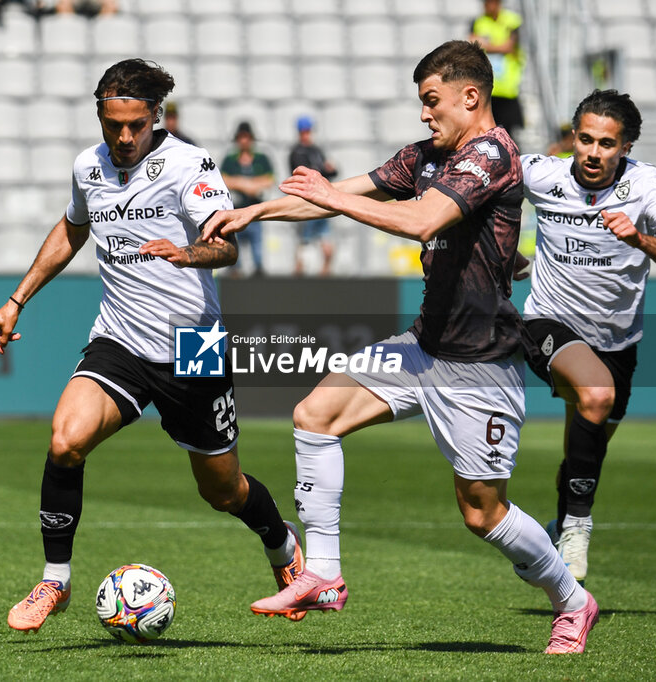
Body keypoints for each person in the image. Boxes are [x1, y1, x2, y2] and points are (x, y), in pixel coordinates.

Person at [203, 41, 599, 655]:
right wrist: (255, 212)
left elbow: (419, 220)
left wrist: (332, 198)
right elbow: (337, 190)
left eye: (432, 100)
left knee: (483, 513)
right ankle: (323, 574)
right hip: (422, 347)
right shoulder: (425, 155)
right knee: (315, 415)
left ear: (471, 96)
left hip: (479, 363)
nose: (424, 113)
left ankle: (572, 602)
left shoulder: (492, 153)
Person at [0, 58, 304, 633]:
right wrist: (16, 300)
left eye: (137, 124)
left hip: (194, 344)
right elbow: (73, 228)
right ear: (101, 119)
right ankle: (56, 579)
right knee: (65, 441)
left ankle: (281, 545)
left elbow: (227, 246)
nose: (126, 136)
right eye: (114, 126)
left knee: (222, 489)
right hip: (120, 340)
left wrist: (189, 253)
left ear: (156, 115)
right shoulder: (88, 167)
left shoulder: (191, 164)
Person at [519, 89, 656, 585]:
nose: (593, 152)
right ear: (573, 137)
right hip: (549, 321)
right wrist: (503, 253)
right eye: (585, 139)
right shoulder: (542, 174)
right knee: (596, 395)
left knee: (590, 444)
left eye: (607, 143)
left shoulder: (648, 184)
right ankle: (577, 529)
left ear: (626, 146)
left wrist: (638, 237)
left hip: (617, 341)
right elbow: (475, 199)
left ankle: (556, 527)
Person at [220, 121, 273, 277]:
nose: (244, 141)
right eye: (241, 137)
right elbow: (222, 180)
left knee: (257, 251)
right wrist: (248, 185)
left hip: (256, 212)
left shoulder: (261, 158)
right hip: (235, 211)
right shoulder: (230, 160)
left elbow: (269, 180)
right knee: (234, 253)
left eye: (247, 137)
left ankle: (258, 272)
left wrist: (240, 182)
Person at [468, 0, 526, 140]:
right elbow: (472, 43)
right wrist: (499, 46)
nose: (490, 6)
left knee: (506, 135)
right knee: (485, 134)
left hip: (507, 90)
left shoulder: (512, 20)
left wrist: (485, 45)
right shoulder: (478, 22)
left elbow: (509, 47)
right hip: (485, 89)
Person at [289, 116, 338, 276]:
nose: (307, 134)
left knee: (326, 246)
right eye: (304, 131)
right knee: (304, 243)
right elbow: (304, 173)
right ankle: (299, 275)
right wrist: (324, 169)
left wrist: (328, 169)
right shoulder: (297, 152)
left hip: (321, 202)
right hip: (307, 202)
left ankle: (324, 276)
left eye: (308, 131)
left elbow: (330, 172)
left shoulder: (316, 150)